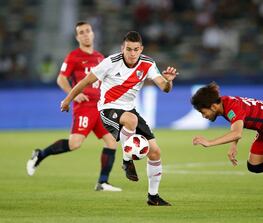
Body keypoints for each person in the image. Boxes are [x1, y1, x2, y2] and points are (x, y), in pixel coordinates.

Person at [60, 31, 177, 206]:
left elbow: (164, 87)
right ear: (123, 48)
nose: (132, 53)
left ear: (141, 49)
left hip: (129, 110)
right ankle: (126, 160)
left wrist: (168, 81)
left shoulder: (148, 63)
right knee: (131, 120)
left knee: (155, 151)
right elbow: (85, 81)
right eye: (128, 49)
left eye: (136, 49)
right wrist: (68, 99)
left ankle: (153, 197)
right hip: (107, 108)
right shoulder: (110, 62)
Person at [26, 21, 121, 192]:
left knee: (112, 141)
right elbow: (61, 79)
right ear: (77, 37)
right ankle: (40, 154)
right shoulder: (73, 56)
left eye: (88, 31)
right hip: (84, 107)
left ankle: (102, 182)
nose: (85, 34)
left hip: (99, 107)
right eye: (81, 32)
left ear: (93, 33)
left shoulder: (100, 57)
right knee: (75, 143)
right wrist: (74, 94)